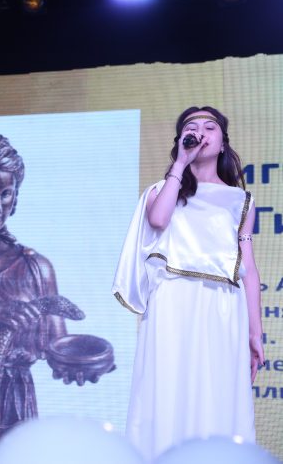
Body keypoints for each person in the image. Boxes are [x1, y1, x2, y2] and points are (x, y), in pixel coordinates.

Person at [0, 133, 115, 449]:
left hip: (14, 402)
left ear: (16, 195)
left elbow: (55, 346)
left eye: (5, 194)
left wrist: (81, 363)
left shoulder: (36, 267)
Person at [113, 107, 265, 461]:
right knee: (168, 387)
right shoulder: (162, 190)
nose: (201, 132)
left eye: (210, 127)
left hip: (223, 306)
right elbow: (158, 219)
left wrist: (255, 332)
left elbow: (249, 269)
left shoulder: (241, 201)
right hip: (173, 301)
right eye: (191, 127)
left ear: (223, 143)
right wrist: (180, 165)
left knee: (217, 391)